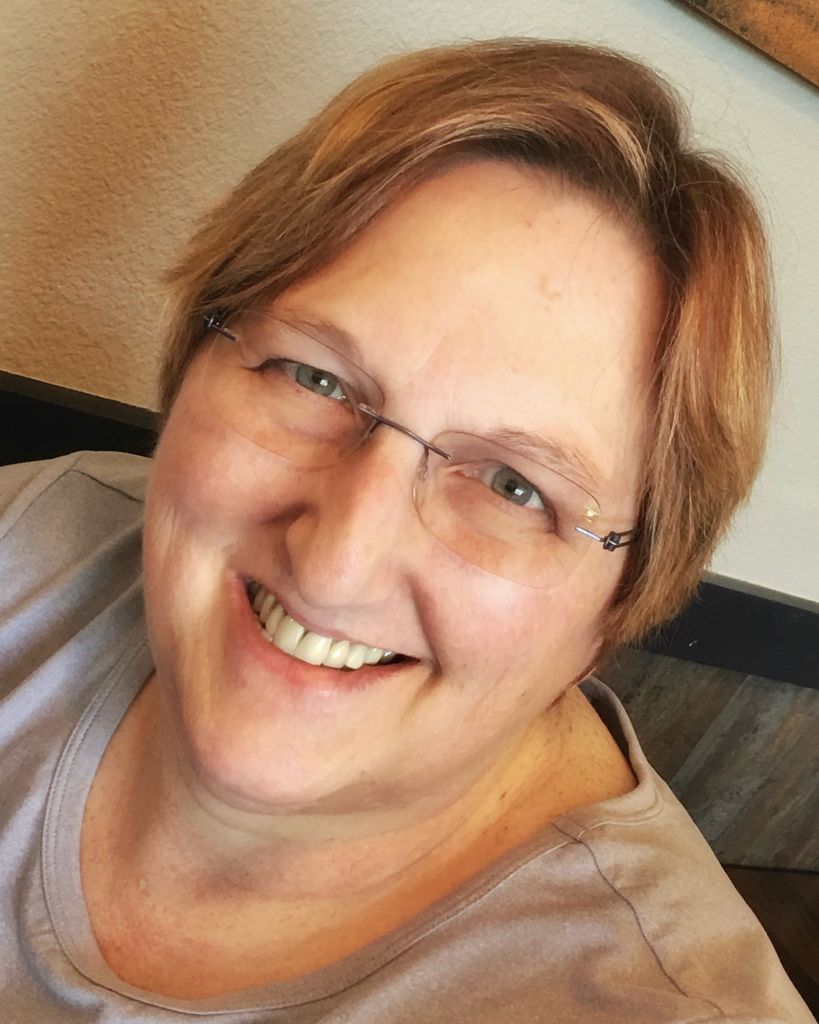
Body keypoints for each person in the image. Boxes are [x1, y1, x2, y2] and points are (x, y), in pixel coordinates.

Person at [0, 37, 812, 1023]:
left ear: (617, 606)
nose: (336, 563)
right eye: (315, 378)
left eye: (513, 486)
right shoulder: (32, 532)